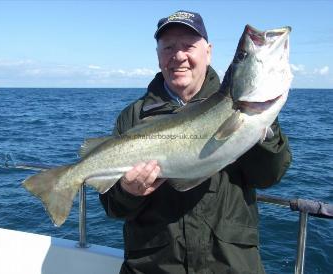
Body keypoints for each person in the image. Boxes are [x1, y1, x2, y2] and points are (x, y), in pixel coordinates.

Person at [99, 10, 292, 274]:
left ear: (208, 52)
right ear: (158, 57)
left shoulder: (244, 113)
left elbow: (269, 175)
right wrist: (127, 192)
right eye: (168, 48)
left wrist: (263, 123)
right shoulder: (133, 117)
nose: (179, 56)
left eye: (188, 46)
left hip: (229, 265)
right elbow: (113, 207)